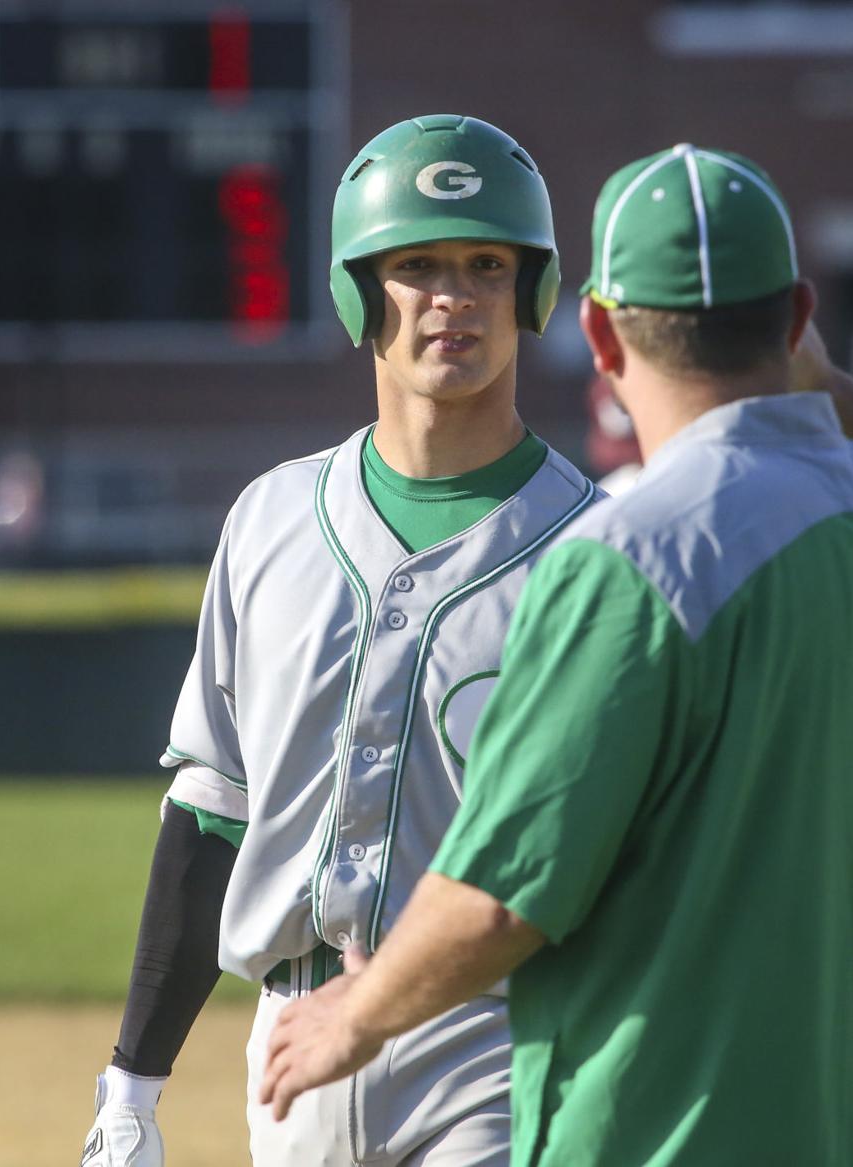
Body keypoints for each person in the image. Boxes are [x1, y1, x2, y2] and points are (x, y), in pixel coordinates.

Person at [257, 143, 853, 1165]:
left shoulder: (625, 560)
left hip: (656, 1138)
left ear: (600, 330)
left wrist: (355, 1017)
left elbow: (500, 896)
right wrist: (830, 394)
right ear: (795, 319)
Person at [80, 114, 599, 1167]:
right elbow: (211, 818)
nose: (452, 296)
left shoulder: (597, 550)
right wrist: (133, 1082)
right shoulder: (271, 519)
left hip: (499, 1038)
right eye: (415, 265)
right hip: (290, 1046)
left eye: (487, 265)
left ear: (531, 292)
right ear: (359, 289)